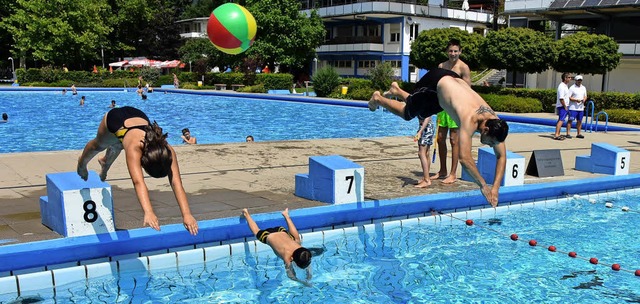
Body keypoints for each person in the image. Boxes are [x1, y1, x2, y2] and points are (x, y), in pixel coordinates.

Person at [369, 68, 509, 207]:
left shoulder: (495, 121)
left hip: (449, 85)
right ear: (485, 130)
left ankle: (396, 91)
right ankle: (379, 99)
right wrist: (483, 185)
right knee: (407, 113)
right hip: (434, 82)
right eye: (491, 143)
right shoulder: (469, 119)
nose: (491, 146)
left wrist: (495, 188)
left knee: (421, 111)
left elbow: (501, 156)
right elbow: (465, 159)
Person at [76, 106, 199, 234]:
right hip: (116, 119)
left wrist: (187, 214)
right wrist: (149, 212)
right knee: (99, 145)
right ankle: (82, 163)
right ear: (143, 162)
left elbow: (176, 183)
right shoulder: (134, 149)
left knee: (120, 143)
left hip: (138, 117)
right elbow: (138, 182)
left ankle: (105, 162)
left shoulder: (166, 149)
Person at [432, 39, 471, 184]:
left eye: (455, 51)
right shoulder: (441, 66)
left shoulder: (463, 68)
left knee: (454, 140)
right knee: (440, 139)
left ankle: (453, 173)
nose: (453, 54)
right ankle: (443, 170)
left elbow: (468, 90)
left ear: (460, 52)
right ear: (447, 52)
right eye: (450, 51)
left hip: (456, 108)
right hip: (443, 106)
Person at [242, 208, 312, 286]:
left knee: (297, 240)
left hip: (281, 230)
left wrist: (309, 274)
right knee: (256, 231)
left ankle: (286, 215)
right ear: (292, 258)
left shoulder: (302, 250)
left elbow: (307, 259)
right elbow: (291, 276)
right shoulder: (287, 256)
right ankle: (246, 214)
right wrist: (303, 282)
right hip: (267, 235)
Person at [414, 115, 436, 188]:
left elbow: (427, 116)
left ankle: (426, 180)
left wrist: (420, 131)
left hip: (425, 128)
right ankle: (426, 178)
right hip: (427, 127)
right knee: (426, 153)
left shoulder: (424, 104)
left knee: (421, 153)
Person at [553, 72, 573, 140]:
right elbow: (561, 98)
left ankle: (558, 133)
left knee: (561, 119)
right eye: (569, 77)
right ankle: (556, 134)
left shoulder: (565, 86)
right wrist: (565, 106)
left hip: (564, 105)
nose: (570, 79)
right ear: (565, 78)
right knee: (561, 120)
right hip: (562, 106)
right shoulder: (561, 86)